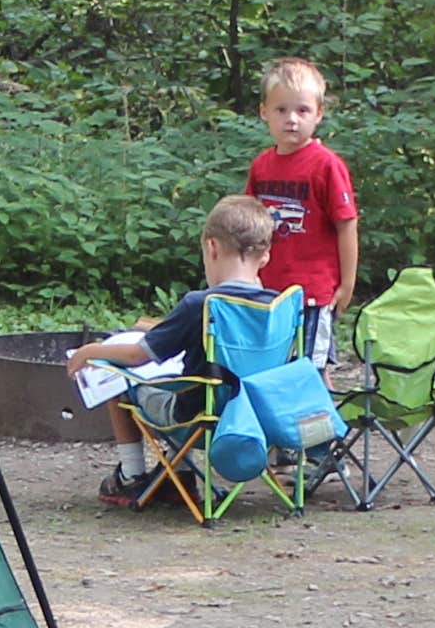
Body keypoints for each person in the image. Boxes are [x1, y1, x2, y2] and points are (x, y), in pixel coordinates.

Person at [67, 194, 286, 505]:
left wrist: (91, 351)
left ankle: (131, 476)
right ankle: (177, 475)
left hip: (198, 417)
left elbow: (137, 356)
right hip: (258, 414)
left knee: (121, 382)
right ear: (265, 256)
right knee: (192, 380)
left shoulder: (200, 304)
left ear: (212, 247)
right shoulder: (278, 305)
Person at [244, 56, 359, 334]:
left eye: (302, 110)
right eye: (281, 110)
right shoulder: (261, 165)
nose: (292, 119)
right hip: (267, 288)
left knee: (311, 358)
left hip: (313, 292)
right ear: (264, 112)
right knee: (272, 355)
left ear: (318, 114)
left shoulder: (326, 165)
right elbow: (248, 224)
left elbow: (347, 225)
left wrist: (347, 284)